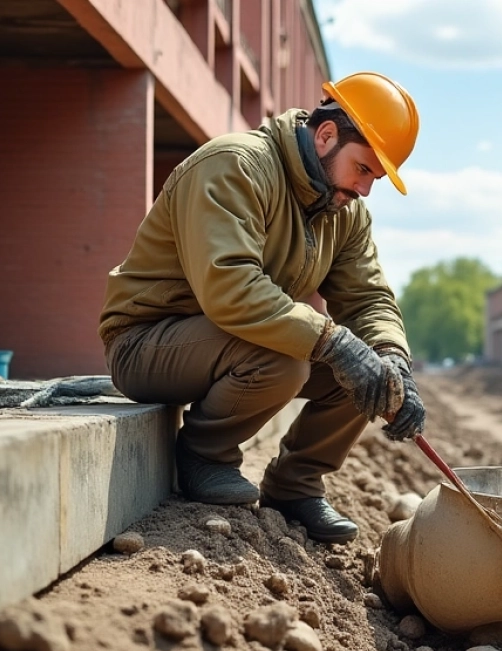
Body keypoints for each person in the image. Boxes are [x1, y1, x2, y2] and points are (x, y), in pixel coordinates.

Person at [98, 72, 427, 545]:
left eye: (375, 176)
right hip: (147, 343)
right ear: (327, 135)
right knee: (289, 352)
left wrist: (393, 359)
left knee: (370, 372)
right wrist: (332, 341)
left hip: (232, 343)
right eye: (363, 168)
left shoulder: (344, 212)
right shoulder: (235, 166)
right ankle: (205, 457)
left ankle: (295, 486)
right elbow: (230, 287)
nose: (366, 188)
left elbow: (369, 298)